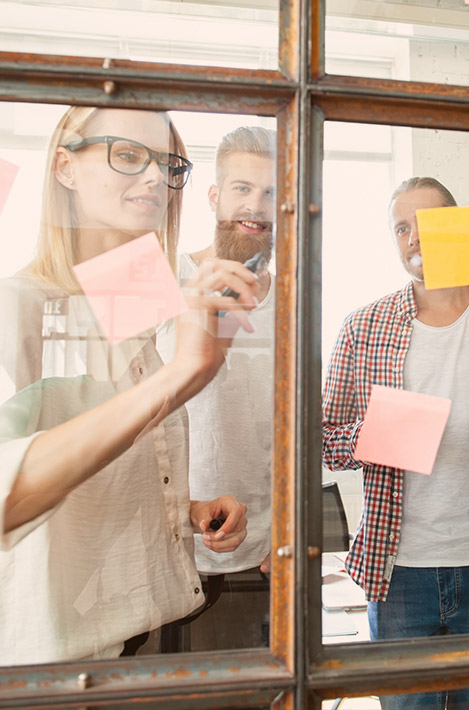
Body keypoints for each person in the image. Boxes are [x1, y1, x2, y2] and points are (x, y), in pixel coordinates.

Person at [0, 106, 257, 665]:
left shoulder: (134, 297)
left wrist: (185, 508)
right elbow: (8, 495)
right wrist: (177, 378)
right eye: (126, 154)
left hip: (132, 632)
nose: (153, 178)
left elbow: (103, 456)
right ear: (66, 167)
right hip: (49, 662)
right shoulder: (19, 305)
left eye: (168, 163)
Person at [322, 177, 469, 710]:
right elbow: (327, 444)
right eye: (401, 228)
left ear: (457, 225)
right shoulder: (363, 327)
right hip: (398, 570)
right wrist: (379, 433)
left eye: (425, 224)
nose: (414, 238)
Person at [157, 125, 276, 649]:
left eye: (272, 192)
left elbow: (297, 429)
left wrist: (289, 532)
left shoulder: (297, 297)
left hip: (263, 557)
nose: (256, 205)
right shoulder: (165, 276)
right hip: (167, 548)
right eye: (242, 188)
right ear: (213, 196)